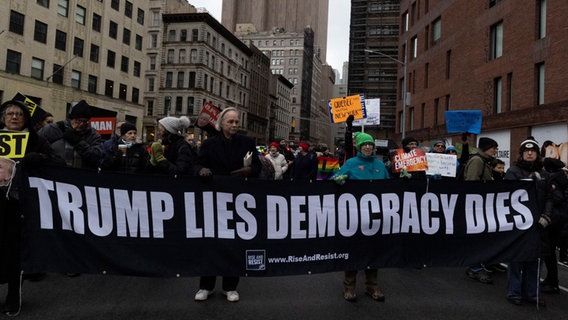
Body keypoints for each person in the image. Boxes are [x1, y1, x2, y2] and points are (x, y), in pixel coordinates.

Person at [0, 100, 64, 316]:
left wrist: (40, 159)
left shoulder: (37, 141)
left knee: (14, 252)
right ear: (3, 118)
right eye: (9, 114)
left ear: (26, 118)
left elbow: (59, 164)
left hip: (20, 205)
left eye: (19, 114)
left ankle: (13, 296)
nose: (14, 117)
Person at [195, 107, 261, 302]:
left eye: (236, 122)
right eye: (230, 122)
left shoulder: (247, 142)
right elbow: (196, 164)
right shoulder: (209, 144)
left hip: (238, 202)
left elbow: (257, 166)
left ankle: (230, 286)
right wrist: (202, 170)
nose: (234, 125)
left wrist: (249, 171)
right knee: (211, 242)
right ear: (221, 123)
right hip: (214, 200)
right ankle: (205, 286)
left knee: (234, 244)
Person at [332, 132, 390, 302]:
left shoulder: (380, 165)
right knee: (354, 251)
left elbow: (390, 186)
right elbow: (334, 179)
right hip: (356, 217)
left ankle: (372, 287)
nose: (367, 147)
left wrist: (402, 179)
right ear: (359, 147)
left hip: (376, 217)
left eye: (370, 144)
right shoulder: (351, 163)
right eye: (364, 145)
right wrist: (338, 179)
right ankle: (349, 287)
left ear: (374, 147)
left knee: (374, 252)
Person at [503, 137, 546, 306]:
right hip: (519, 224)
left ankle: (531, 293)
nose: (530, 153)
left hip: (538, 223)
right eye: (527, 151)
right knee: (516, 260)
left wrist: (546, 216)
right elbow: (506, 196)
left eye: (533, 151)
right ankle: (514, 292)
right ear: (521, 154)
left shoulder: (543, 173)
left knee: (535, 260)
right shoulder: (513, 172)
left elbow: (550, 197)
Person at [463, 136, 498, 284]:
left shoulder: (484, 161)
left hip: (481, 205)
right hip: (476, 206)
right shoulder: (478, 161)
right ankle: (475, 268)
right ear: (485, 148)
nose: (495, 151)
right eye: (493, 148)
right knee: (477, 239)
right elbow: (471, 184)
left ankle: (478, 265)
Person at [38, 100, 103, 169]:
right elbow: (36, 143)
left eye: (84, 121)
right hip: (54, 173)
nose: (81, 124)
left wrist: (78, 142)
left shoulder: (93, 135)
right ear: (72, 118)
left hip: (80, 176)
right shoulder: (55, 128)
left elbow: (96, 156)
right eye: (78, 120)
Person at [539, 157, 568, 295]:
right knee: (549, 253)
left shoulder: (554, 180)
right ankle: (550, 280)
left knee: (549, 253)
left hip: (555, 221)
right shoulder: (561, 177)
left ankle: (553, 282)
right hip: (559, 220)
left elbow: (557, 198)